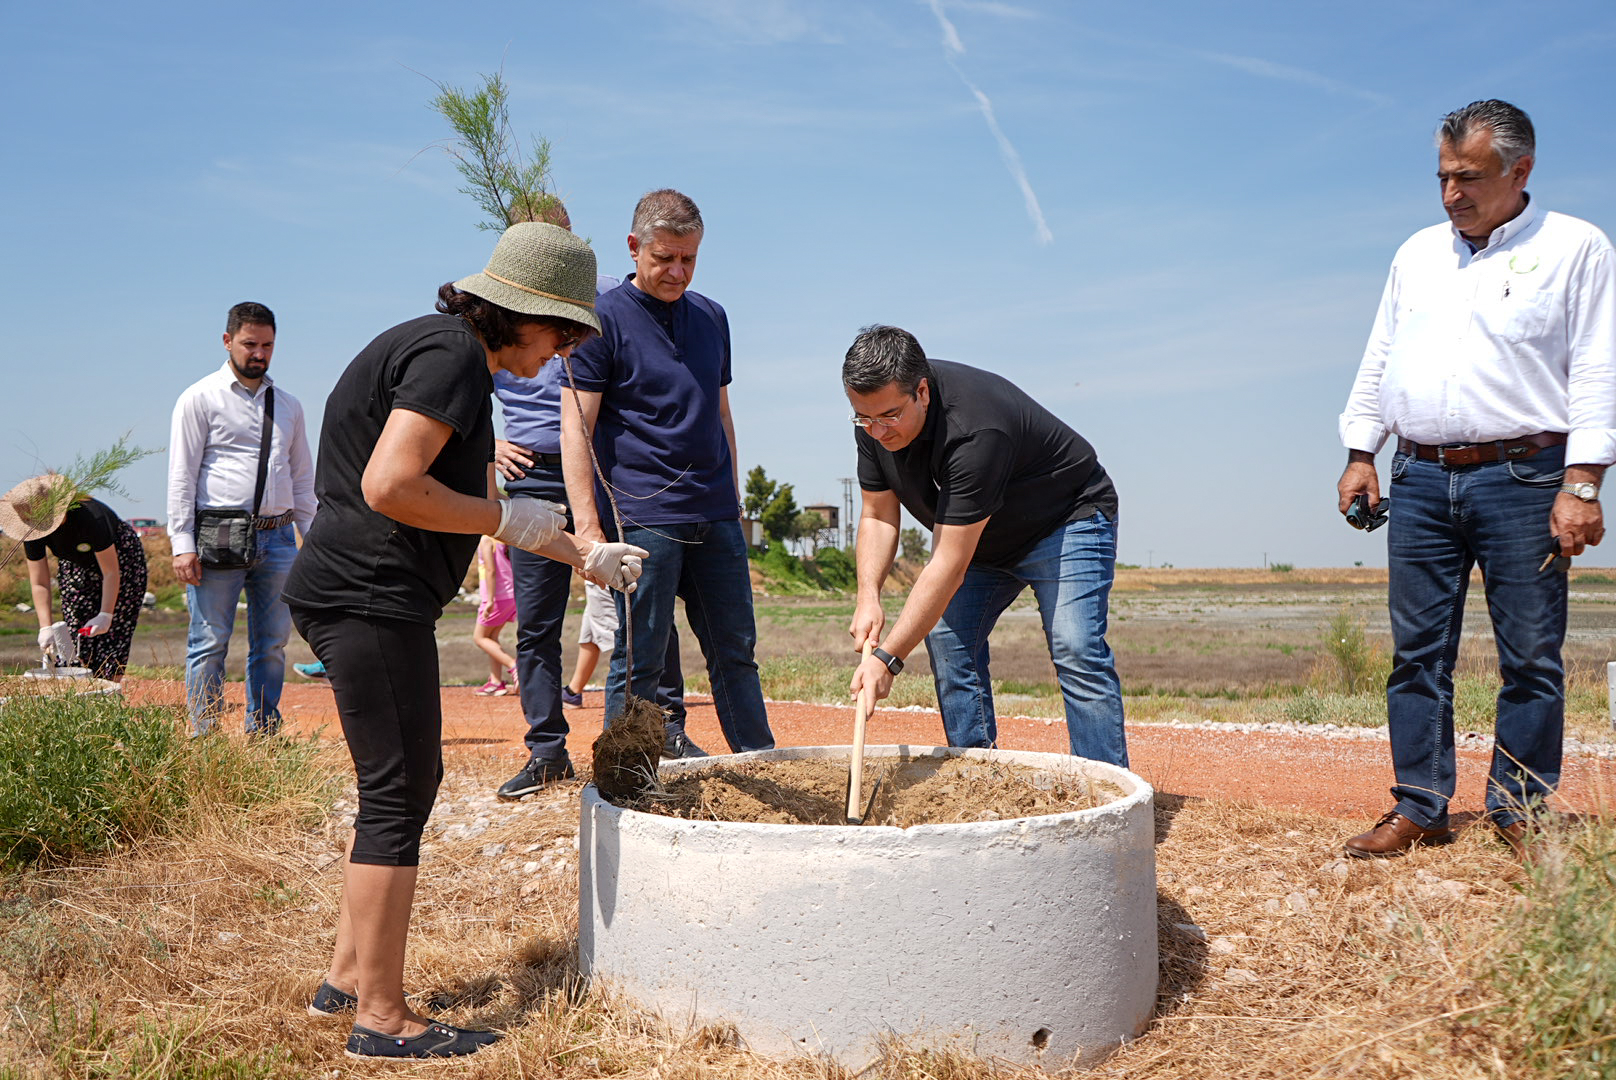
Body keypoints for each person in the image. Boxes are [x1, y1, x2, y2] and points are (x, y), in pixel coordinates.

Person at [280, 222, 646, 1059]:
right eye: (560, 333)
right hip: (369, 596)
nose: (560, 354)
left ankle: (347, 975)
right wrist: (505, 516)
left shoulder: (433, 349)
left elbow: (472, 502)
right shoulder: (448, 358)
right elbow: (391, 484)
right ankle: (382, 1015)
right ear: (518, 313)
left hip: (358, 593)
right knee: (398, 787)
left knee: (402, 783)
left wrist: (584, 553)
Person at [1337, 100, 1616, 860]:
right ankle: (1420, 805)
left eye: (1469, 177)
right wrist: (1362, 450)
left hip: (1527, 477)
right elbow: (1380, 356)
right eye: (1442, 176)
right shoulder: (1418, 254)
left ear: (1520, 171)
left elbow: (1597, 368)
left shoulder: (1576, 248)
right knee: (1417, 653)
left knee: (1530, 654)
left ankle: (1519, 809)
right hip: (1421, 477)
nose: (1451, 193)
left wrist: (1583, 482)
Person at [843, 325, 1128, 767]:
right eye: (863, 417)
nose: (877, 431)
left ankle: (1107, 792)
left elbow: (949, 564)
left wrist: (886, 659)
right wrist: (868, 597)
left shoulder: (974, 428)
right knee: (949, 638)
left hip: (1064, 520)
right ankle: (977, 775)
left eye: (889, 416)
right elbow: (878, 515)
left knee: (1075, 646)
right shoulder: (875, 420)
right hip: (986, 539)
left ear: (922, 391)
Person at [491, 200, 693, 801]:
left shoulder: (609, 297)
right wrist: (490, 446)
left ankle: (667, 729)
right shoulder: (494, 313)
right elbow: (456, 395)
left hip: (604, 474)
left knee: (645, 601)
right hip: (531, 473)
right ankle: (547, 749)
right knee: (538, 622)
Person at [562, 189, 774, 756]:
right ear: (634, 248)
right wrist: (588, 530)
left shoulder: (712, 316)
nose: (677, 271)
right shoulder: (599, 322)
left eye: (689, 259)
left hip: (716, 514)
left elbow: (721, 411)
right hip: (644, 518)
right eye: (664, 258)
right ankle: (626, 784)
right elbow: (577, 432)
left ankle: (763, 767)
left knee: (735, 652)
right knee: (641, 658)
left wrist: (732, 500)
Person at [167, 302, 315, 735]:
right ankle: (205, 735)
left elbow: (303, 479)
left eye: (267, 345)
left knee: (272, 644)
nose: (259, 354)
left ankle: (264, 730)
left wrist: (315, 540)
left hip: (280, 537)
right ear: (228, 340)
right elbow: (182, 474)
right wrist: (182, 544)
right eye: (250, 344)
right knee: (209, 642)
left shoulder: (288, 405)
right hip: (218, 536)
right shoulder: (199, 397)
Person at [1, 475, 148, 682]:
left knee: (115, 627)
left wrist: (106, 614)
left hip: (121, 559)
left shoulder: (90, 517)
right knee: (74, 628)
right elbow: (40, 582)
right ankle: (76, 688)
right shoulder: (32, 529)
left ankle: (108, 691)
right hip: (75, 562)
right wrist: (45, 627)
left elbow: (111, 572)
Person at [471, 536, 518, 695]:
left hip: (497, 597)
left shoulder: (486, 540)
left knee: (479, 638)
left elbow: (490, 570)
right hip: (511, 595)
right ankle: (496, 682)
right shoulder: (504, 539)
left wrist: (489, 600)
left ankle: (514, 665)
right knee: (491, 637)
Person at [563, 578, 618, 706]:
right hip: (598, 576)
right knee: (589, 634)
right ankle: (573, 692)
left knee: (620, 639)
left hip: (602, 576)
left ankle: (641, 692)